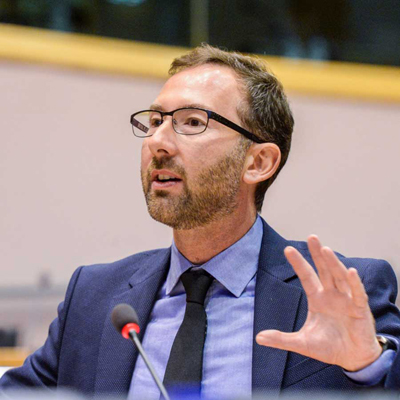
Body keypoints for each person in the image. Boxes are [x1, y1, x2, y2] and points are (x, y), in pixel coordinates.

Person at [1, 44, 400, 399]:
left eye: (192, 122)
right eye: (155, 121)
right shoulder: (94, 298)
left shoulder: (342, 293)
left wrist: (367, 364)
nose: (158, 141)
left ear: (258, 162)